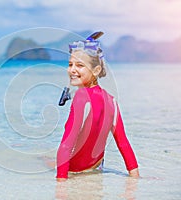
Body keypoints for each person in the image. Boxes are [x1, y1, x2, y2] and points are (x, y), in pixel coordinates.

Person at [56, 31, 139, 181]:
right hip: (96, 170)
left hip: (74, 173)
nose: (72, 70)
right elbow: (123, 144)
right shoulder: (111, 100)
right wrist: (136, 179)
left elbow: (66, 145)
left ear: (96, 70)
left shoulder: (81, 97)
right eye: (70, 64)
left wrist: (60, 185)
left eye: (79, 65)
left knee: (42, 160)